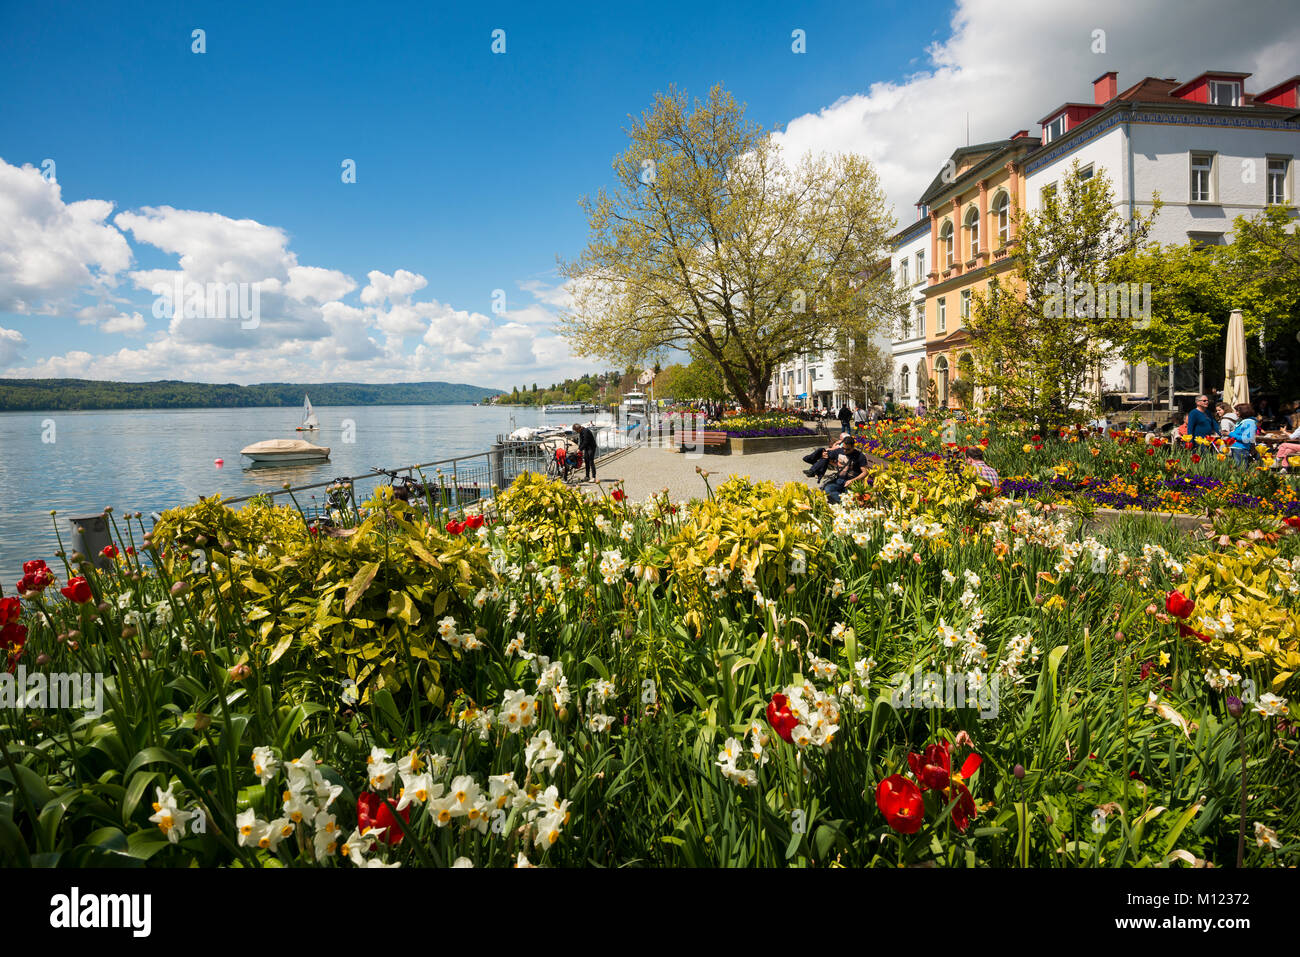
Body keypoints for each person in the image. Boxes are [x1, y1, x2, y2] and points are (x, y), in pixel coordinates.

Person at [823, 436, 867, 505]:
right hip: (839, 480)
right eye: (843, 448)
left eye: (847, 449)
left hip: (852, 483)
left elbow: (865, 472)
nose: (844, 451)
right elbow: (827, 457)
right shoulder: (839, 451)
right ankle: (845, 503)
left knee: (852, 496)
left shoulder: (860, 456)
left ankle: (846, 503)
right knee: (828, 489)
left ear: (853, 447)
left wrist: (853, 480)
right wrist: (825, 454)